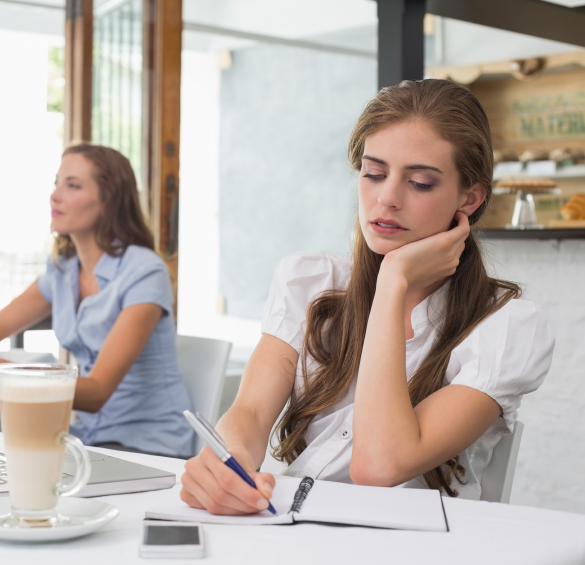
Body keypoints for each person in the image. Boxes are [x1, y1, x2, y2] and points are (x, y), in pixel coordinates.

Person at [180, 79, 555, 514]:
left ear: (469, 198)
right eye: (373, 174)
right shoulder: (310, 281)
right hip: (293, 527)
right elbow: (249, 413)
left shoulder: (506, 328)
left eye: (420, 183)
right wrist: (230, 461)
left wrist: (393, 282)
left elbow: (379, 467)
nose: (386, 198)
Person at [0, 143, 195, 458]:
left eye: (73, 185)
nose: (55, 195)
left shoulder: (144, 272)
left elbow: (97, 393)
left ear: (110, 202)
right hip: (86, 437)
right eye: (57, 183)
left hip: (148, 446)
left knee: (15, 466)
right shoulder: (63, 270)